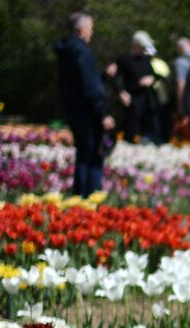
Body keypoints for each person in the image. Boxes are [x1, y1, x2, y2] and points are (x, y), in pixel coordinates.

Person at [54, 12, 113, 197]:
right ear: (81, 30)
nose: (92, 32)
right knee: (93, 156)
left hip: (74, 109)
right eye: (90, 28)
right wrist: (102, 113)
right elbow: (90, 87)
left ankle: (80, 197)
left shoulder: (66, 51)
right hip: (88, 113)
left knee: (83, 154)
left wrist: (103, 76)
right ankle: (91, 198)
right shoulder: (82, 51)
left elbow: (78, 83)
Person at [111, 31, 160, 143]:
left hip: (148, 101)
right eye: (143, 47)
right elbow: (113, 77)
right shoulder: (123, 59)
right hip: (131, 101)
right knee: (131, 132)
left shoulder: (147, 58)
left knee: (150, 133)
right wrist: (121, 92)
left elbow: (157, 75)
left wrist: (151, 79)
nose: (145, 49)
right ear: (135, 45)